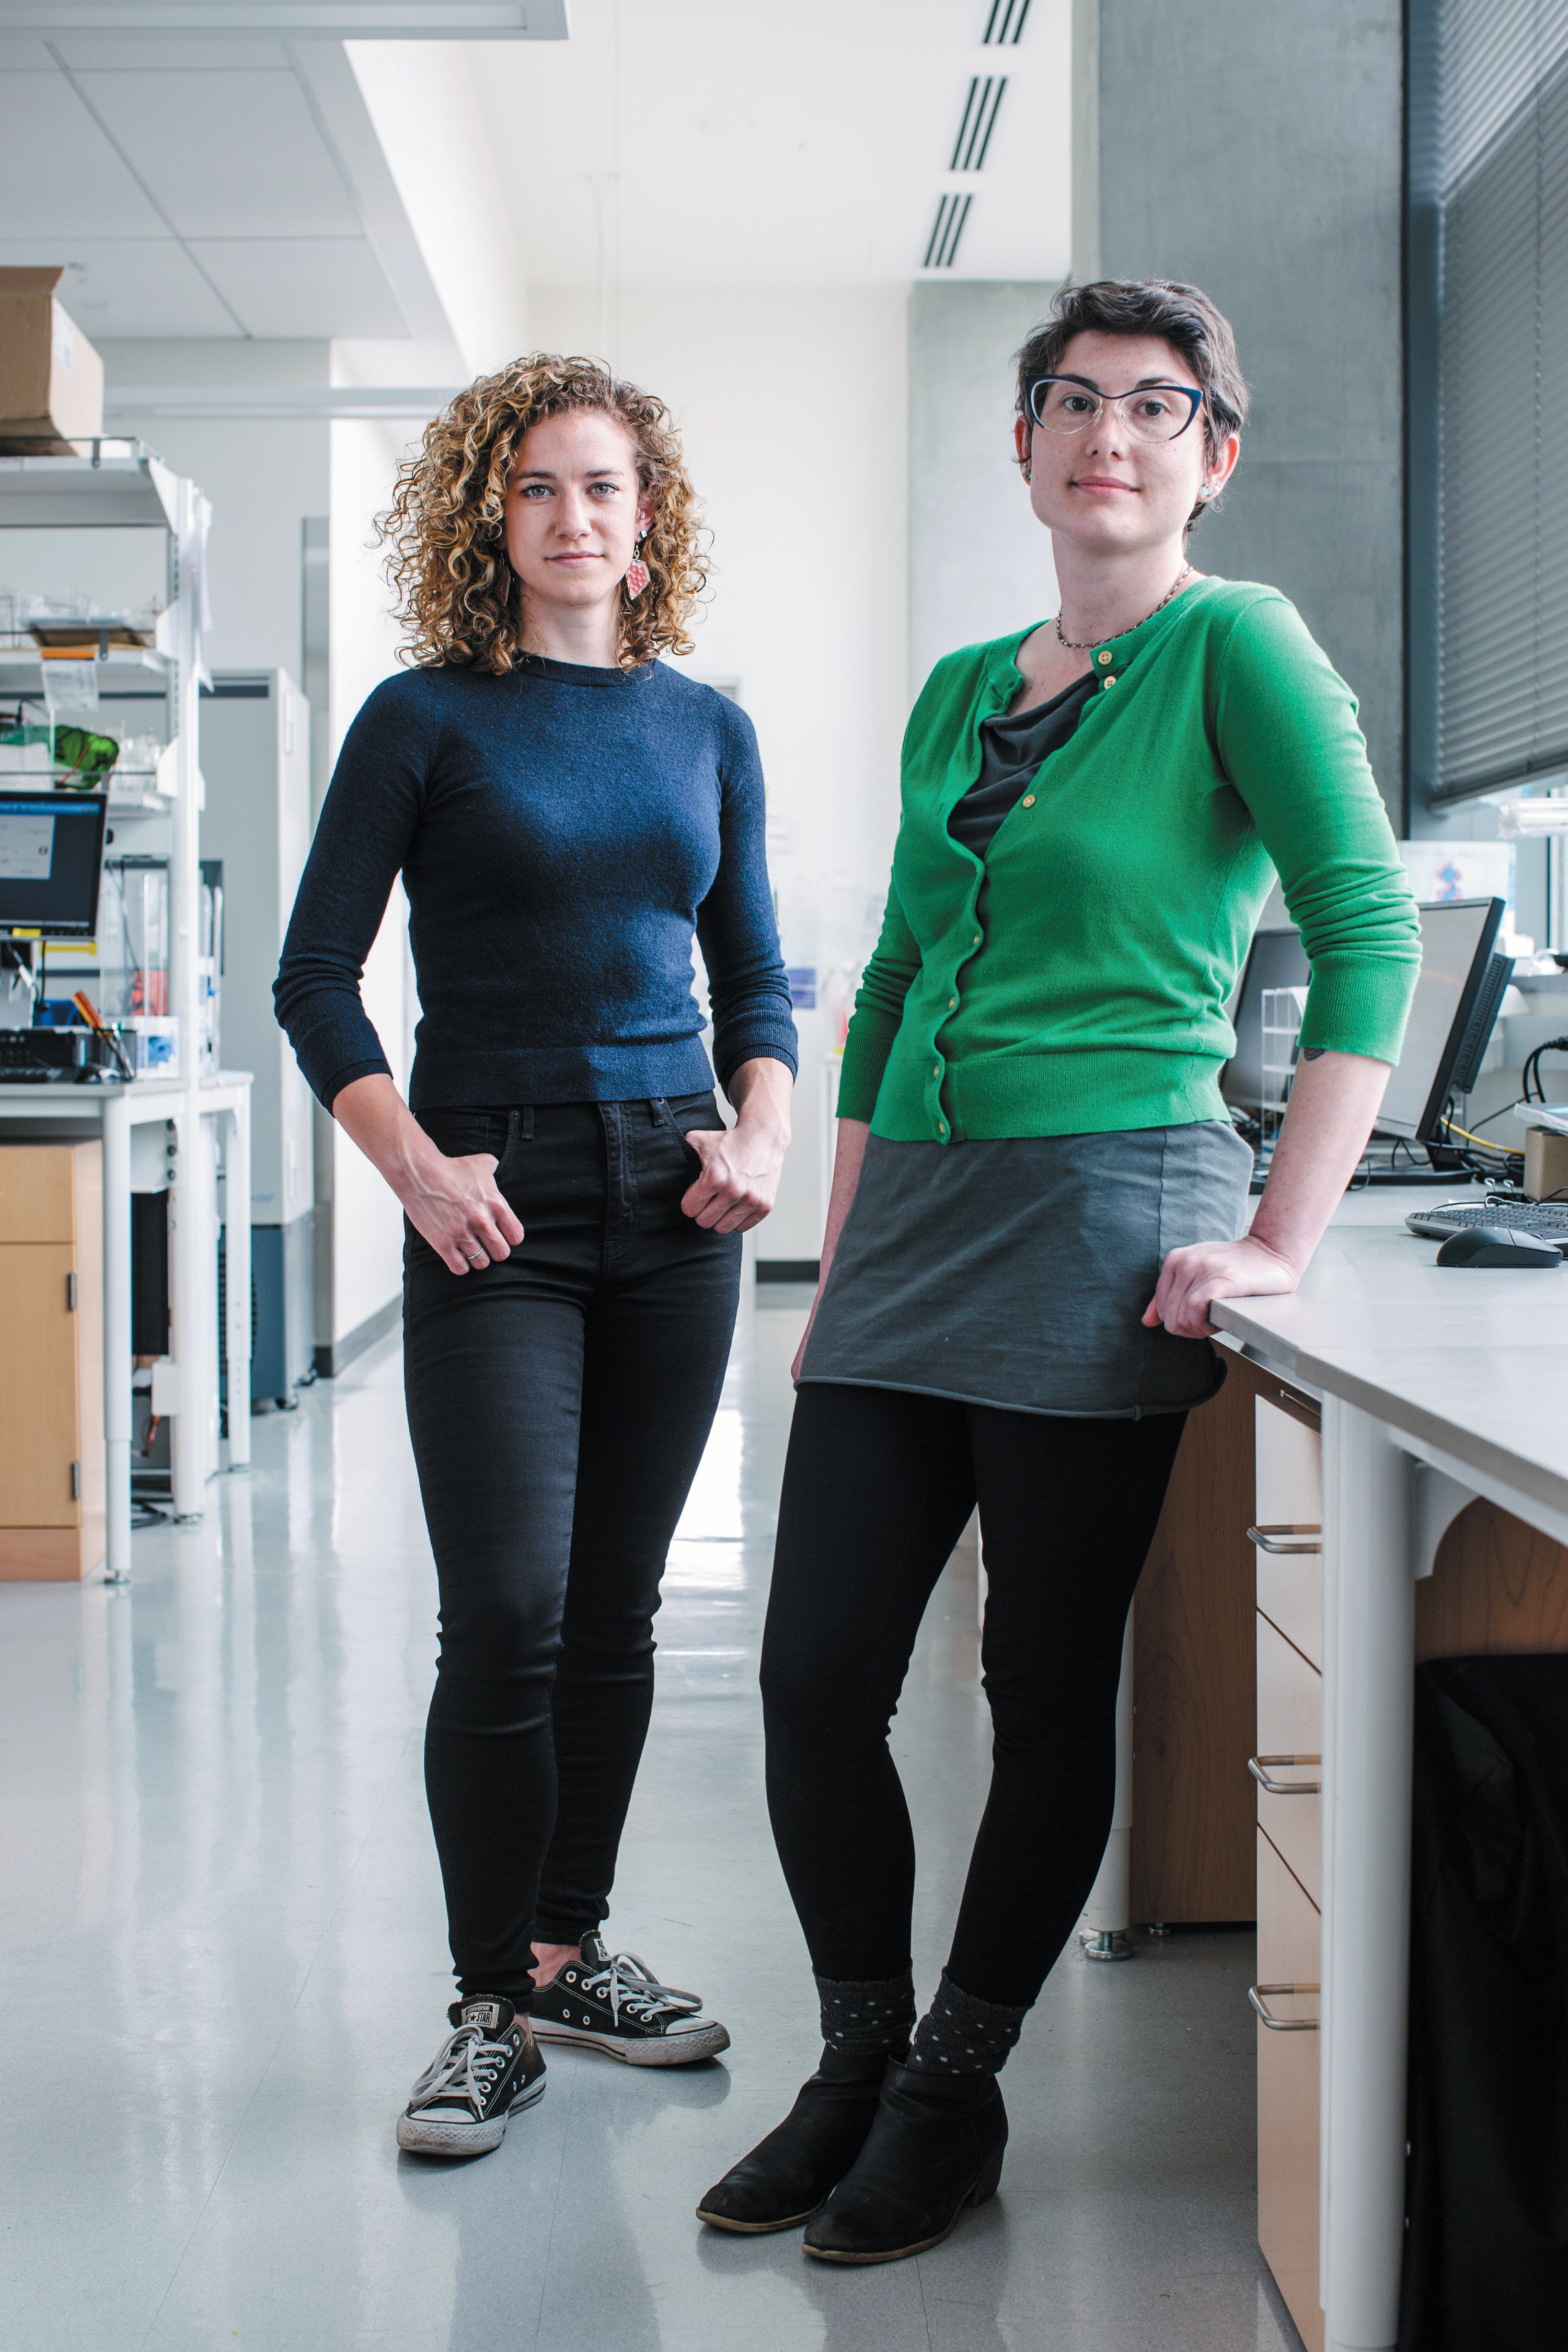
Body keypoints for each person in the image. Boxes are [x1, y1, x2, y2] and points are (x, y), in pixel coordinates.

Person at [698, 278, 1420, 2262]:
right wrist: (843, 1257)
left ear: (1214, 455)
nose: (1112, 435)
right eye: (1074, 402)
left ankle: (955, 2082)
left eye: (1159, 406)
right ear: (1023, 444)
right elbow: (902, 985)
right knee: (816, 1672)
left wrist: (1283, 1230)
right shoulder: (956, 688)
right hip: (915, 1219)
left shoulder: (1234, 646)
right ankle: (853, 2052)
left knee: (1040, 1686)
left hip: (1112, 1205)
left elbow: (1368, 936)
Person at [275, 355, 796, 2159]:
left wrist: (766, 1137)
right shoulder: (425, 719)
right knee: (504, 1604)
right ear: (489, 521)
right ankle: (486, 2000)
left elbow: (759, 984)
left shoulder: (706, 730)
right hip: (487, 1198)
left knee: (615, 1615)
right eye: (541, 490)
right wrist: (412, 1169)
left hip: (674, 1202)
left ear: (650, 529)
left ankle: (567, 1952)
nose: (578, 518)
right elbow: (315, 976)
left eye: (608, 489)